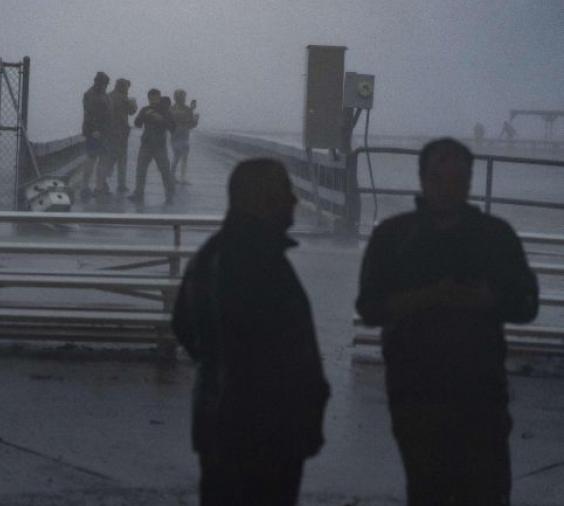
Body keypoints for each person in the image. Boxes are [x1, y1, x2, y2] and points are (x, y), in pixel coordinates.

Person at [356, 138, 538, 505]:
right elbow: (370, 307)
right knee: (437, 490)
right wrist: (460, 299)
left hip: (474, 395)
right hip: (422, 394)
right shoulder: (492, 235)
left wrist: (481, 299)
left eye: (457, 180)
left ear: (469, 183)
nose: (448, 188)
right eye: (440, 178)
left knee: (476, 491)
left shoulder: (397, 235)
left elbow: (526, 303)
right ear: (423, 179)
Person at [172, 159, 330, 505]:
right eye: (285, 192)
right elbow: (274, 353)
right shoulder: (256, 261)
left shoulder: (215, 253)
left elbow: (183, 324)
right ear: (260, 199)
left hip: (225, 425)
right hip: (261, 434)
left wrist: (215, 368)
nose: (293, 200)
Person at [129, 89, 176, 205]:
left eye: (156, 98)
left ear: (159, 98)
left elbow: (173, 127)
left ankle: (169, 196)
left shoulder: (165, 111)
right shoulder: (145, 109)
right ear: (148, 98)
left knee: (165, 171)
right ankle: (138, 194)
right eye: (151, 98)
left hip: (160, 146)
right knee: (140, 170)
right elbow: (137, 124)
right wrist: (144, 116)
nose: (153, 100)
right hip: (146, 145)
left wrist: (161, 119)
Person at [80, 71, 114, 199]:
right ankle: (85, 186)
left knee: (103, 159)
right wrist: (94, 130)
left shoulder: (103, 94)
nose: (105, 86)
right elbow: (89, 114)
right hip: (95, 133)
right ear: (98, 82)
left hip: (104, 132)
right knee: (92, 158)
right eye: (104, 83)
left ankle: (99, 186)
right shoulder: (90, 94)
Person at [108, 78, 138, 193]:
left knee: (109, 157)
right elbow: (132, 111)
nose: (128, 89)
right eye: (127, 87)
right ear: (124, 86)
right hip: (121, 133)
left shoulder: (109, 96)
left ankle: (103, 181)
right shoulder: (124, 98)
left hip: (110, 132)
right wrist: (134, 102)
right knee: (121, 159)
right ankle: (121, 185)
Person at [170, 89, 199, 184]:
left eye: (183, 96)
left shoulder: (174, 108)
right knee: (180, 157)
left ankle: (175, 176)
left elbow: (191, 125)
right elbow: (188, 123)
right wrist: (192, 113)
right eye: (182, 96)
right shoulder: (177, 109)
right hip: (178, 136)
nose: (183, 98)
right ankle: (179, 177)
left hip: (181, 135)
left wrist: (195, 119)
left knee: (180, 157)